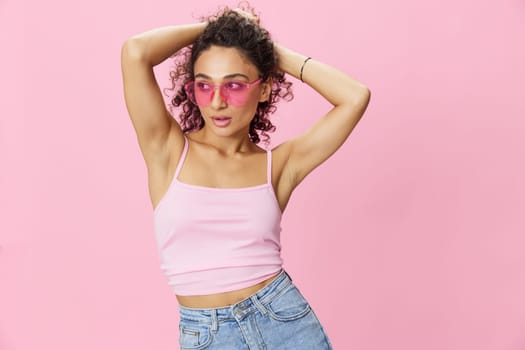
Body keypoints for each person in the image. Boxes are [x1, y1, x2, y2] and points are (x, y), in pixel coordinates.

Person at [121, 5, 370, 349]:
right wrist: (217, 27)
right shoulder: (167, 151)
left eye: (235, 85)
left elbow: (354, 97)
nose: (218, 101)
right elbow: (135, 52)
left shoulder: (279, 165)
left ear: (264, 89)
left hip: (286, 322)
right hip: (207, 335)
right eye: (204, 85)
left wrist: (267, 50)